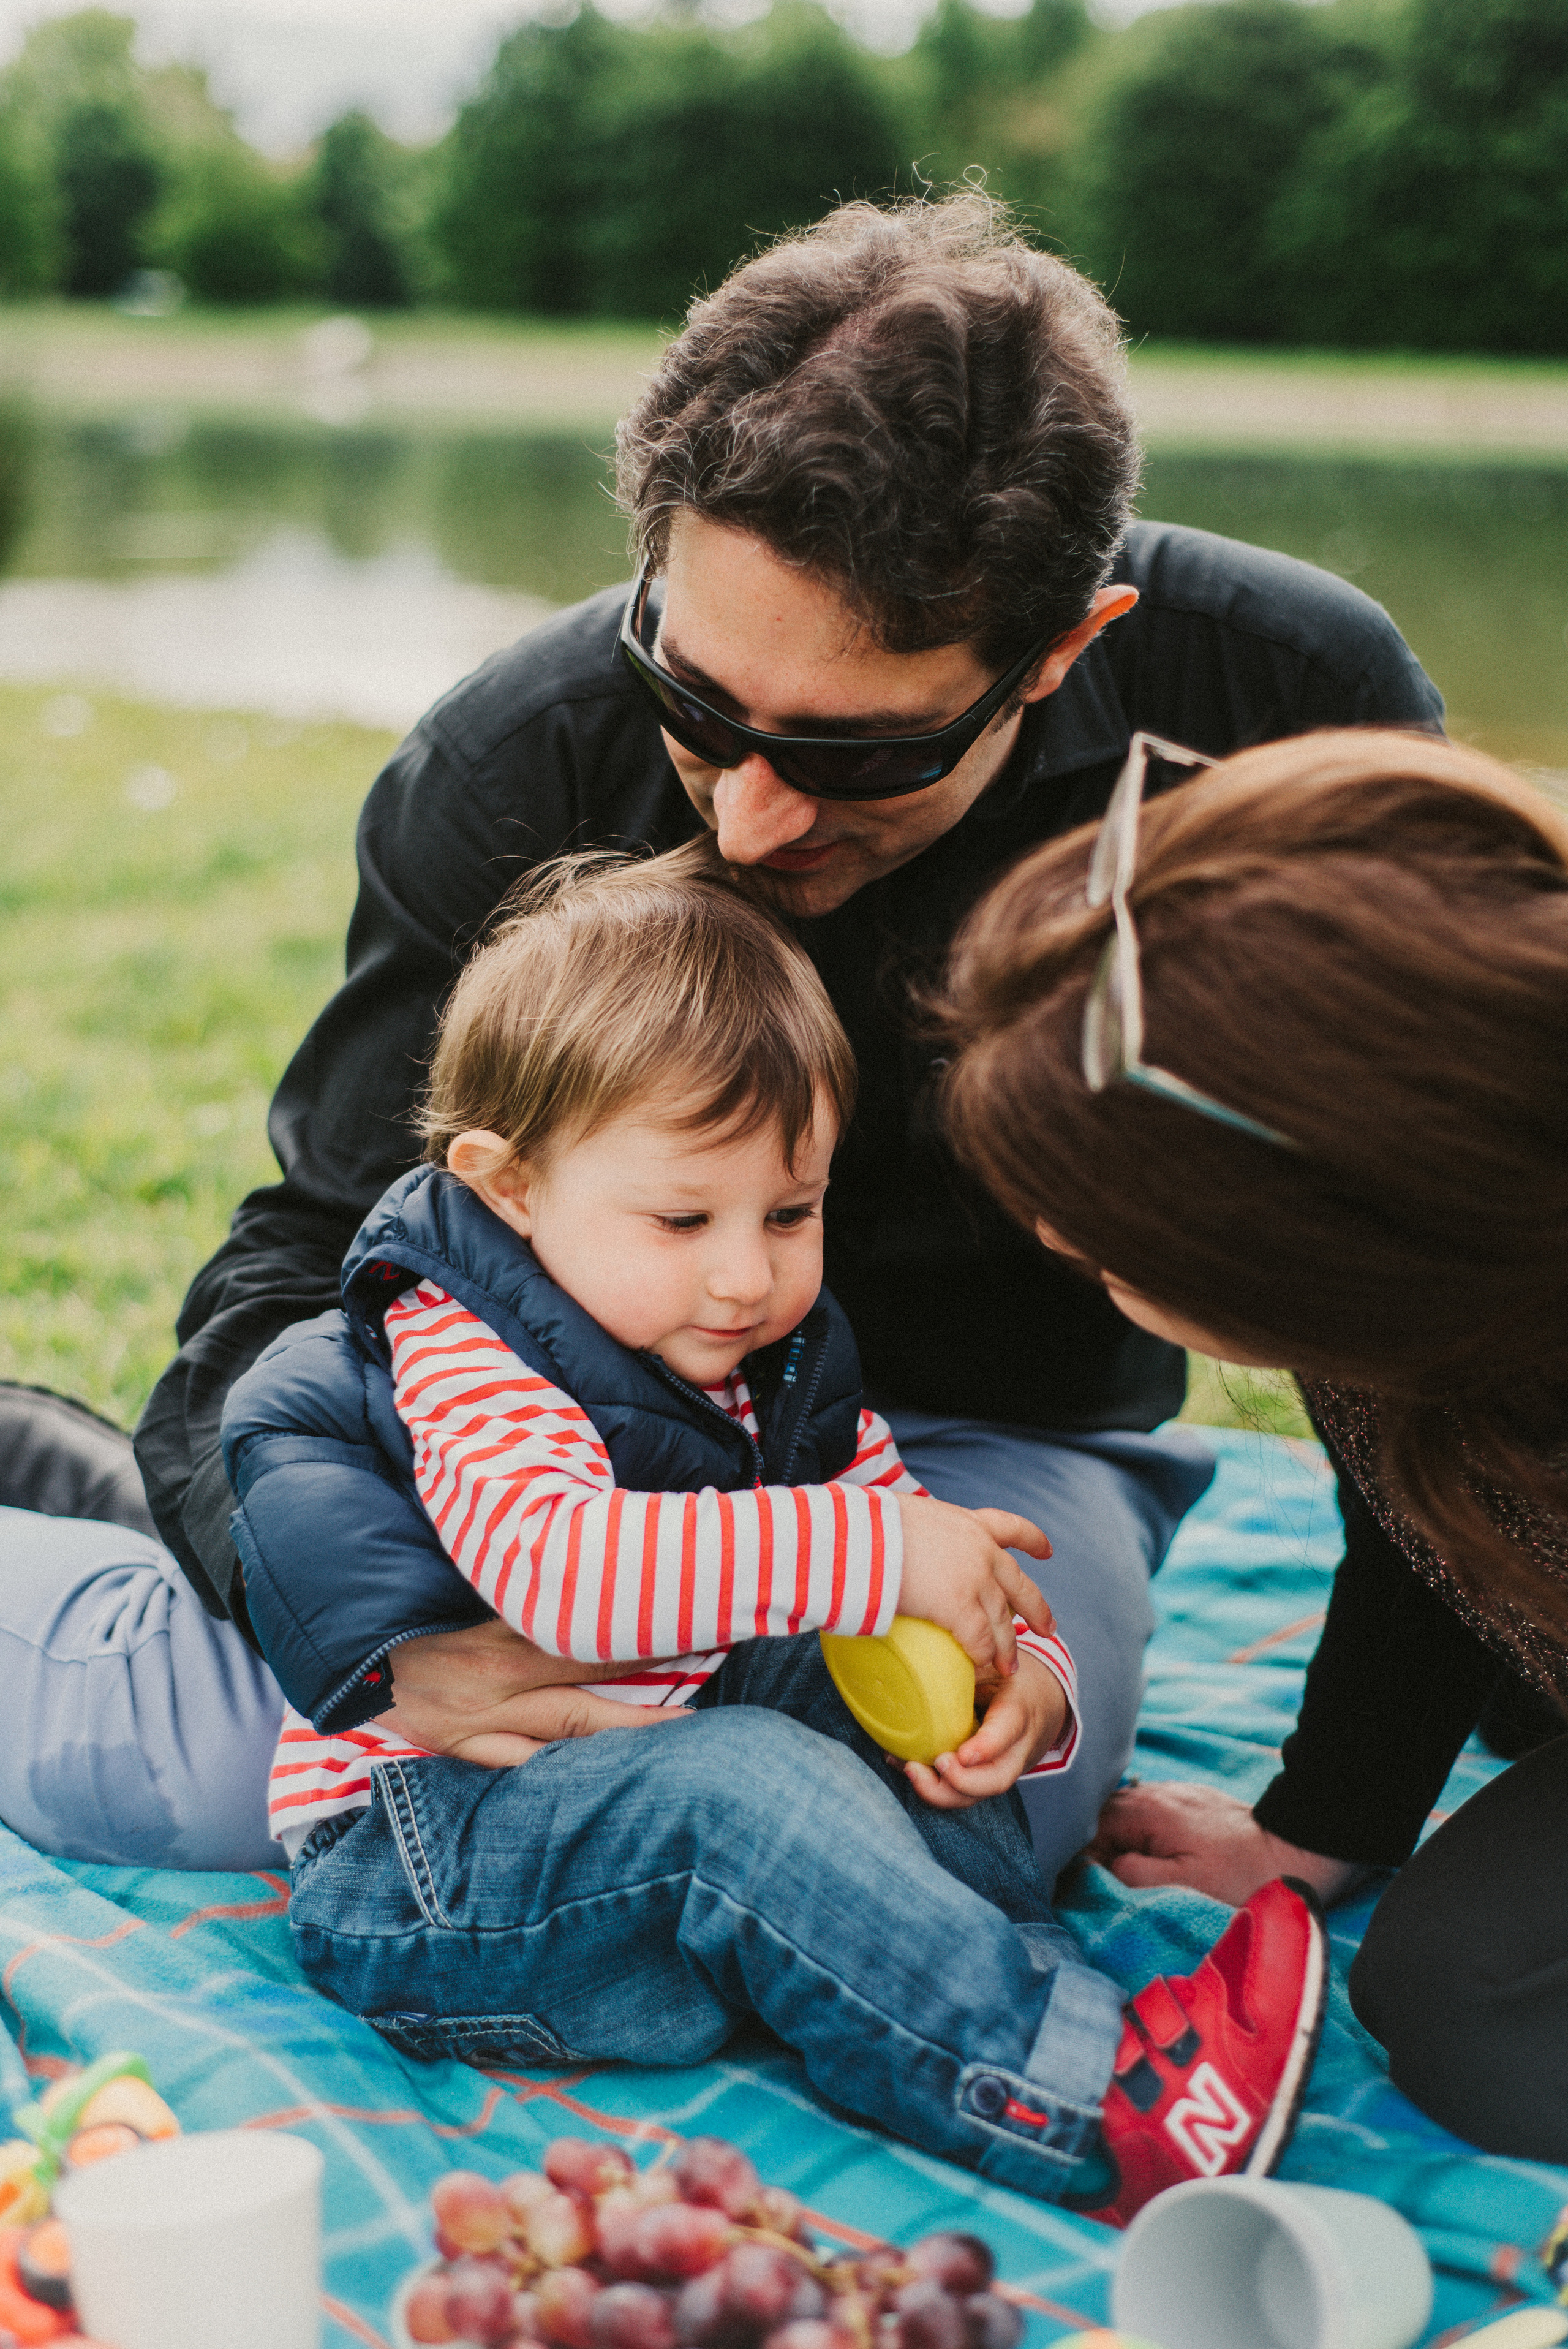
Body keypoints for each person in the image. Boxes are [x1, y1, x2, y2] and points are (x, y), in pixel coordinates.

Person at [1, 189, 1441, 1876]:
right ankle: (83, 1506)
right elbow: (311, 1258)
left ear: (1062, 652)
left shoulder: (1283, 709)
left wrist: (1335, 1815)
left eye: (863, 753)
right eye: (694, 705)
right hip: (547, 1435)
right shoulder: (506, 769)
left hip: (994, 1438)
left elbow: (1430, 1275)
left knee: (949, 1829)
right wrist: (379, 1636)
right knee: (246, 1773)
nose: (752, 824)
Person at [221, 841, 1330, 2224]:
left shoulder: (754, 1349)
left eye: (789, 1212)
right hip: (431, 1876)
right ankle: (1086, 2112)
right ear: (508, 1186)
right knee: (740, 1777)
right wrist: (871, 1553)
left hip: (632, 1840)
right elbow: (558, 1576)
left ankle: (1016, 1985)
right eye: (683, 1216)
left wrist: (1010, 1681)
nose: (746, 1275)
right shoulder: (464, 1348)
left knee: (846, 1692)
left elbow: (887, 1559)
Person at [933, 723, 1568, 2164]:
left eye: (1097, 1232)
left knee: (1466, 2005)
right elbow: (1413, 1540)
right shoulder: (1404, 1323)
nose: (1052, 1238)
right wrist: (1315, 1831)